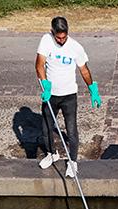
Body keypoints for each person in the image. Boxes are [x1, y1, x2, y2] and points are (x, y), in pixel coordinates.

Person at [35, 16, 102, 178]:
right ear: (53, 32)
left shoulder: (75, 47)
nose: (61, 40)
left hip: (69, 96)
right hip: (51, 95)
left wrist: (93, 89)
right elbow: (39, 64)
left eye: (64, 37)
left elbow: (84, 70)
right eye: (58, 37)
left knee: (71, 131)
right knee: (46, 129)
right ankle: (52, 154)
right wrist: (46, 84)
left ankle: (73, 162)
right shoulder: (46, 40)